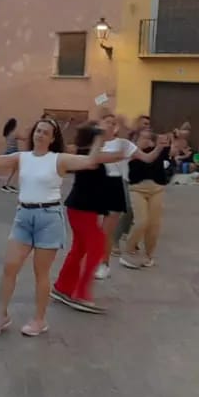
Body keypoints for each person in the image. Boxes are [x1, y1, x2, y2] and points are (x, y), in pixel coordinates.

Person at [0, 118, 112, 336]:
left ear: (53, 138)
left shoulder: (59, 159)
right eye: (38, 130)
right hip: (23, 216)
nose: (40, 134)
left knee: (40, 273)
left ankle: (39, 320)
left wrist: (99, 137)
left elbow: (90, 161)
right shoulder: (22, 157)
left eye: (45, 132)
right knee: (10, 267)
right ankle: (1, 315)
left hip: (49, 218)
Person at [51, 122, 123, 314]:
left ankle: (62, 287)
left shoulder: (88, 153)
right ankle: (81, 294)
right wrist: (107, 135)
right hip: (82, 209)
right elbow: (116, 155)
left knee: (80, 248)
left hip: (81, 209)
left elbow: (116, 156)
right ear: (94, 138)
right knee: (97, 246)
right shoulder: (89, 156)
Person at [99, 112, 165, 278]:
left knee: (110, 226)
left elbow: (148, 158)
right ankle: (103, 259)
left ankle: (105, 263)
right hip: (100, 186)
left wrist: (158, 147)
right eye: (106, 122)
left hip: (119, 184)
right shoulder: (96, 142)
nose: (109, 125)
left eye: (112, 123)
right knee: (100, 229)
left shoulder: (125, 144)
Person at [121, 129, 171, 269]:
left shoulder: (158, 148)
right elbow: (149, 157)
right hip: (137, 189)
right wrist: (158, 148)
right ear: (136, 140)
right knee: (141, 221)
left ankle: (148, 255)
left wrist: (166, 142)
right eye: (143, 138)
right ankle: (129, 250)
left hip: (157, 189)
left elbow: (168, 152)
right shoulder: (132, 152)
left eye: (149, 138)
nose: (147, 140)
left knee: (154, 225)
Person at [0, 118, 19, 193]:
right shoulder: (14, 133)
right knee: (13, 170)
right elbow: (24, 138)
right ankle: (6, 185)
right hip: (13, 152)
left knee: (13, 170)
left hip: (9, 151)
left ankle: (8, 184)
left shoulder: (7, 133)